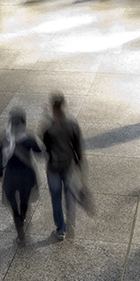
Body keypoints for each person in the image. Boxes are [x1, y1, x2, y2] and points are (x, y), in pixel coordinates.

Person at [42, 95, 88, 240]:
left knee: (56, 198)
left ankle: (60, 229)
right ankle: (71, 221)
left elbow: (46, 148)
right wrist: (79, 164)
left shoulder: (48, 129)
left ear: (52, 108)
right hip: (68, 166)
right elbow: (78, 147)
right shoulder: (73, 125)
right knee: (69, 196)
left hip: (53, 168)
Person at [0, 110, 41, 245]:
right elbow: (39, 151)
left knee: (13, 205)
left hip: (10, 175)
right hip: (26, 175)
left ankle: (20, 234)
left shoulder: (5, 140)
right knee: (24, 199)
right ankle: (23, 217)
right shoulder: (28, 140)